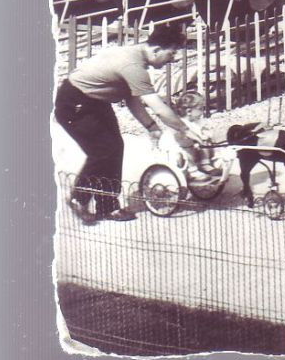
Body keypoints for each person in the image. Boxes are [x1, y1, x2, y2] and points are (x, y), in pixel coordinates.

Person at [54, 21, 203, 223]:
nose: (173, 59)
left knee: (115, 147)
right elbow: (158, 107)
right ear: (157, 50)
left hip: (95, 101)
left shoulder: (136, 58)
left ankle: (108, 206)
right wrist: (185, 129)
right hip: (74, 102)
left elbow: (132, 99)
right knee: (102, 151)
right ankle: (79, 199)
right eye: (171, 54)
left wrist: (152, 128)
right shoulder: (133, 66)